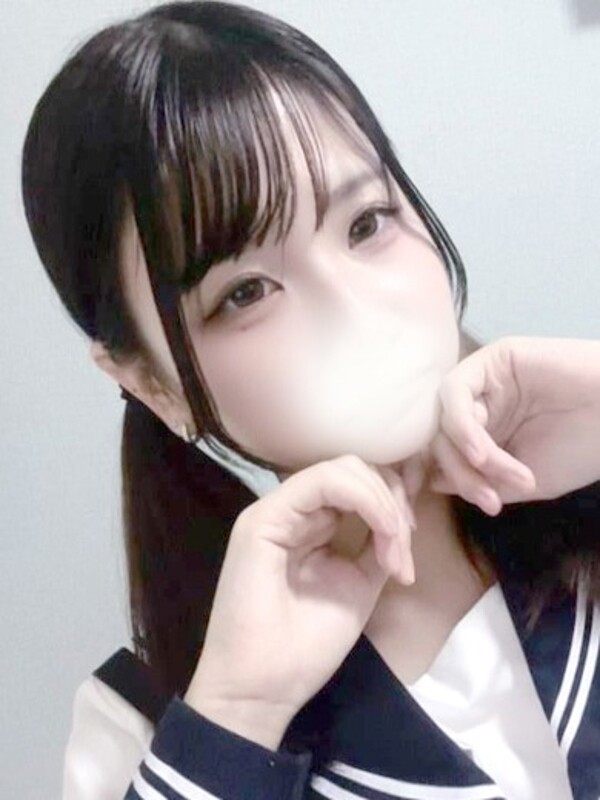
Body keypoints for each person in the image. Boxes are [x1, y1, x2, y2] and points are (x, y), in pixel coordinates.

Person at [20, 2, 600, 799]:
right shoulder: (146, 729)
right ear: (153, 383)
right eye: (246, 292)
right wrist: (237, 713)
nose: (353, 306)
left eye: (367, 223)